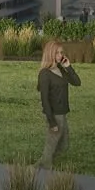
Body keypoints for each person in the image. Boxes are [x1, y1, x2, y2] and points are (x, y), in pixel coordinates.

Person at [37, 40, 80, 169]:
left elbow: (77, 82)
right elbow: (44, 99)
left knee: (63, 144)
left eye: (61, 52)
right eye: (57, 53)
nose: (60, 55)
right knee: (51, 145)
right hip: (54, 114)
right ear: (50, 53)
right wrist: (52, 122)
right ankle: (45, 167)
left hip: (62, 112)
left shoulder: (60, 69)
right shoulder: (45, 74)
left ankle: (43, 163)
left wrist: (68, 66)